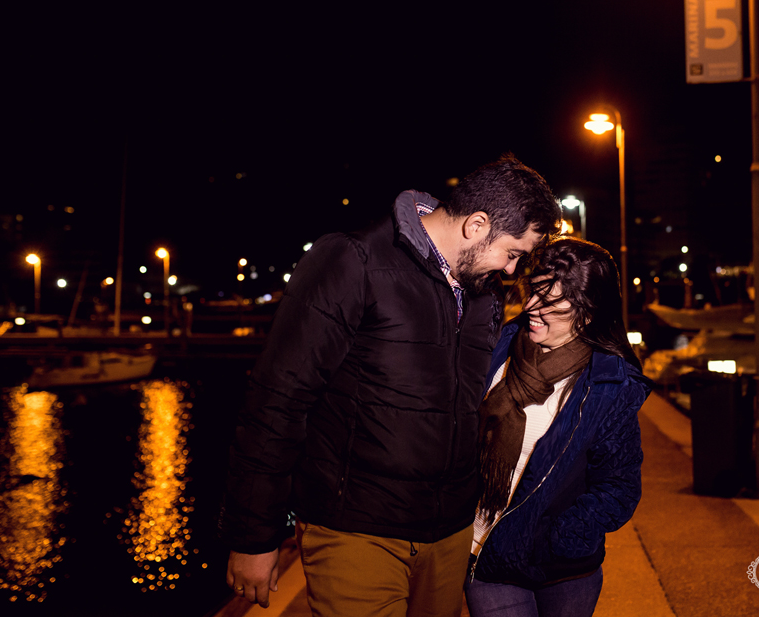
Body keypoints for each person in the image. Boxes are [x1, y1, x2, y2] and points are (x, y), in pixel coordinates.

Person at [219, 155, 561, 616]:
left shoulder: (482, 292)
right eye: (513, 253)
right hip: (357, 531)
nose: (512, 271)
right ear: (476, 225)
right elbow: (278, 399)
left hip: (450, 533)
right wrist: (252, 536)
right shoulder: (354, 260)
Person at [465, 238, 648, 617]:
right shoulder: (497, 345)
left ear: (587, 311)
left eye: (550, 302)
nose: (531, 307)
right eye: (534, 292)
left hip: (562, 570)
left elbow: (619, 487)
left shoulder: (610, 384)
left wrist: (559, 537)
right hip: (485, 555)